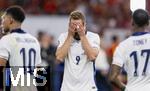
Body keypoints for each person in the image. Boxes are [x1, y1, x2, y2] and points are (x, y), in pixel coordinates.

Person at [56, 11, 100, 91]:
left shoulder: (93, 37)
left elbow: (92, 57)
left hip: (88, 88)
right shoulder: (63, 36)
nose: (76, 28)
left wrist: (82, 36)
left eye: (79, 25)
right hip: (67, 88)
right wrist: (70, 36)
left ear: (84, 25)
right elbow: (59, 57)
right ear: (69, 25)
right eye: (73, 25)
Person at [0, 6, 41, 91]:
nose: (2, 23)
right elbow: (38, 70)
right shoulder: (34, 40)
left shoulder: (7, 39)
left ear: (11, 20)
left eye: (4, 18)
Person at [109, 9, 150, 91]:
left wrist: (125, 89)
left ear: (132, 23)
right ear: (148, 22)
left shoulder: (123, 45)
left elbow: (112, 77)